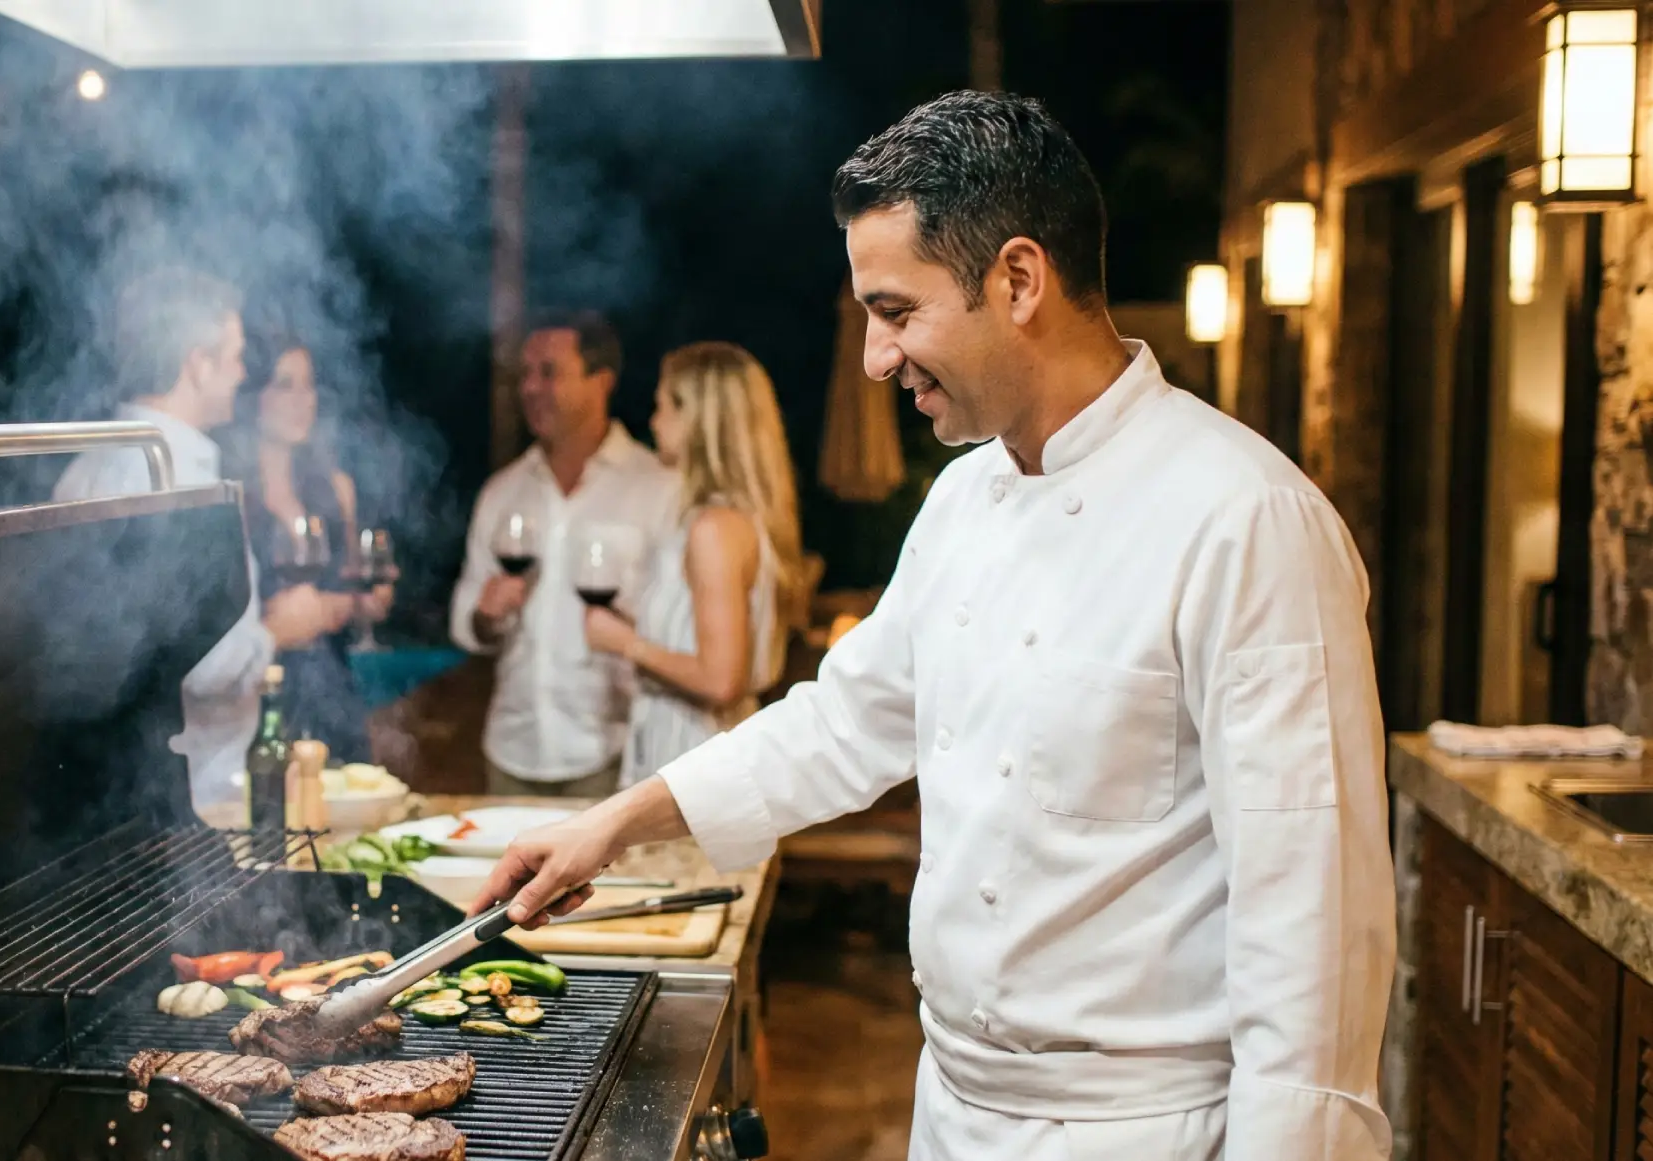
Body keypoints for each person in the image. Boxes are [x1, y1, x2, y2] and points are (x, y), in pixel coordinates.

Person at [475, 92, 1395, 1161]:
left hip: (1143, 1133)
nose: (875, 358)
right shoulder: (963, 500)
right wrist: (612, 825)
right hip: (952, 1108)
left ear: (1016, 280)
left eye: (897, 311)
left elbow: (1314, 935)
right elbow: (840, 724)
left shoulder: (1250, 520)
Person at [54, 267, 348, 810]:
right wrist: (277, 632)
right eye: (234, 356)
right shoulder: (179, 481)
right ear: (197, 363)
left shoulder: (88, 465)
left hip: (113, 786)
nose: (241, 373)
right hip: (195, 789)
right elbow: (203, 665)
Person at [450, 312, 680, 799]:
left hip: (614, 753)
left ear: (602, 382)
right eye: (524, 375)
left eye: (549, 372)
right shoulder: (502, 491)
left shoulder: (657, 488)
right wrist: (486, 617)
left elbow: (682, 629)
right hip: (512, 749)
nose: (530, 388)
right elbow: (464, 622)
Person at [581, 341, 807, 788]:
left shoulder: (716, 528)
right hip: (692, 760)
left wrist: (626, 644)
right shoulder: (722, 519)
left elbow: (722, 679)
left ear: (698, 419)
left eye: (663, 406)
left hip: (699, 769)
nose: (653, 421)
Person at [221, 334, 392, 764]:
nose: (303, 400)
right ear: (252, 396)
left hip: (333, 691)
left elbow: (357, 588)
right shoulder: (227, 496)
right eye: (284, 384)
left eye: (309, 385)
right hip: (260, 699)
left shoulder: (336, 488)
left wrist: (367, 602)